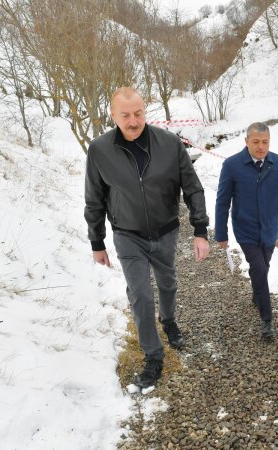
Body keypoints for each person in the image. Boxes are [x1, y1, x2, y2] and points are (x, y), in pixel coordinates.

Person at [84, 87, 210, 389]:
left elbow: (192, 187)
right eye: (125, 115)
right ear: (113, 116)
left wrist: (200, 230)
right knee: (140, 294)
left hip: (165, 231)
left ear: (145, 111)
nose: (133, 121)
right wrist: (97, 242)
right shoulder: (100, 150)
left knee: (168, 283)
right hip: (128, 235)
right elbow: (94, 198)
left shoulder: (169, 144)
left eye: (138, 113)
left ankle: (168, 321)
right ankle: (154, 357)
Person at [215, 122, 278, 339]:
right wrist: (221, 233)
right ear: (246, 141)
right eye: (256, 142)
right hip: (245, 229)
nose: (260, 147)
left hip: (270, 228)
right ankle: (267, 320)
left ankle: (257, 294)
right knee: (259, 267)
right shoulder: (232, 165)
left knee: (261, 267)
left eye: (265, 142)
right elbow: (222, 202)